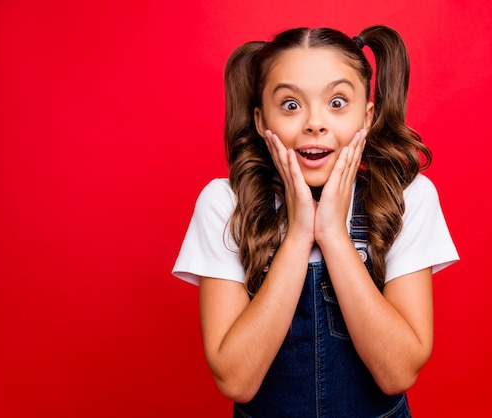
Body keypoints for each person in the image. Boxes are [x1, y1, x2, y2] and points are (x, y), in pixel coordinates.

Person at [173, 25, 459, 418]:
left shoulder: (406, 198)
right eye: (291, 105)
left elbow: (398, 373)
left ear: (367, 116)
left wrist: (334, 237)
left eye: (338, 102)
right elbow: (236, 380)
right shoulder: (225, 204)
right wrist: (296, 239)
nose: (315, 123)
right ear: (260, 121)